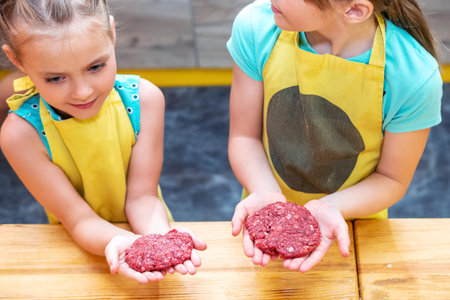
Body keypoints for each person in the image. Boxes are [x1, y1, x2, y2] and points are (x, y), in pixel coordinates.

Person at [227, 0, 442, 273]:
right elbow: (244, 139)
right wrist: (267, 197)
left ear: (354, 10)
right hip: (262, 214)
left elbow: (392, 179)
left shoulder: (413, 77)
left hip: (353, 228)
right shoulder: (257, 27)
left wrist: (330, 208)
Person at [0, 0, 206, 283]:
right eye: (56, 78)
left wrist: (160, 240)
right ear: (17, 61)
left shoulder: (144, 100)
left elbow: (143, 198)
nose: (83, 92)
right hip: (78, 250)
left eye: (96, 66)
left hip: (148, 227)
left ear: (112, 33)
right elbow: (78, 219)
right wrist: (129, 245)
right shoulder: (20, 135)